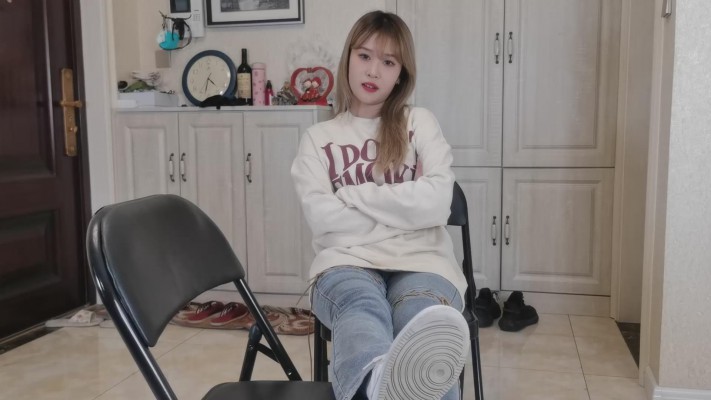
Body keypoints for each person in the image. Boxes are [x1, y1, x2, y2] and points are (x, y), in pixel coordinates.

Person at [291, 11, 469, 400]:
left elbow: (437, 203)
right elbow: (323, 218)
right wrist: (407, 213)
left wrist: (353, 195)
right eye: (365, 56)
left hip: (423, 262)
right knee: (361, 307)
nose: (373, 71)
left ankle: (387, 387)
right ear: (348, 58)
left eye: (388, 62)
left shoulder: (418, 123)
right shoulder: (318, 138)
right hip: (345, 263)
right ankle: (376, 384)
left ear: (401, 74)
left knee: (421, 320)